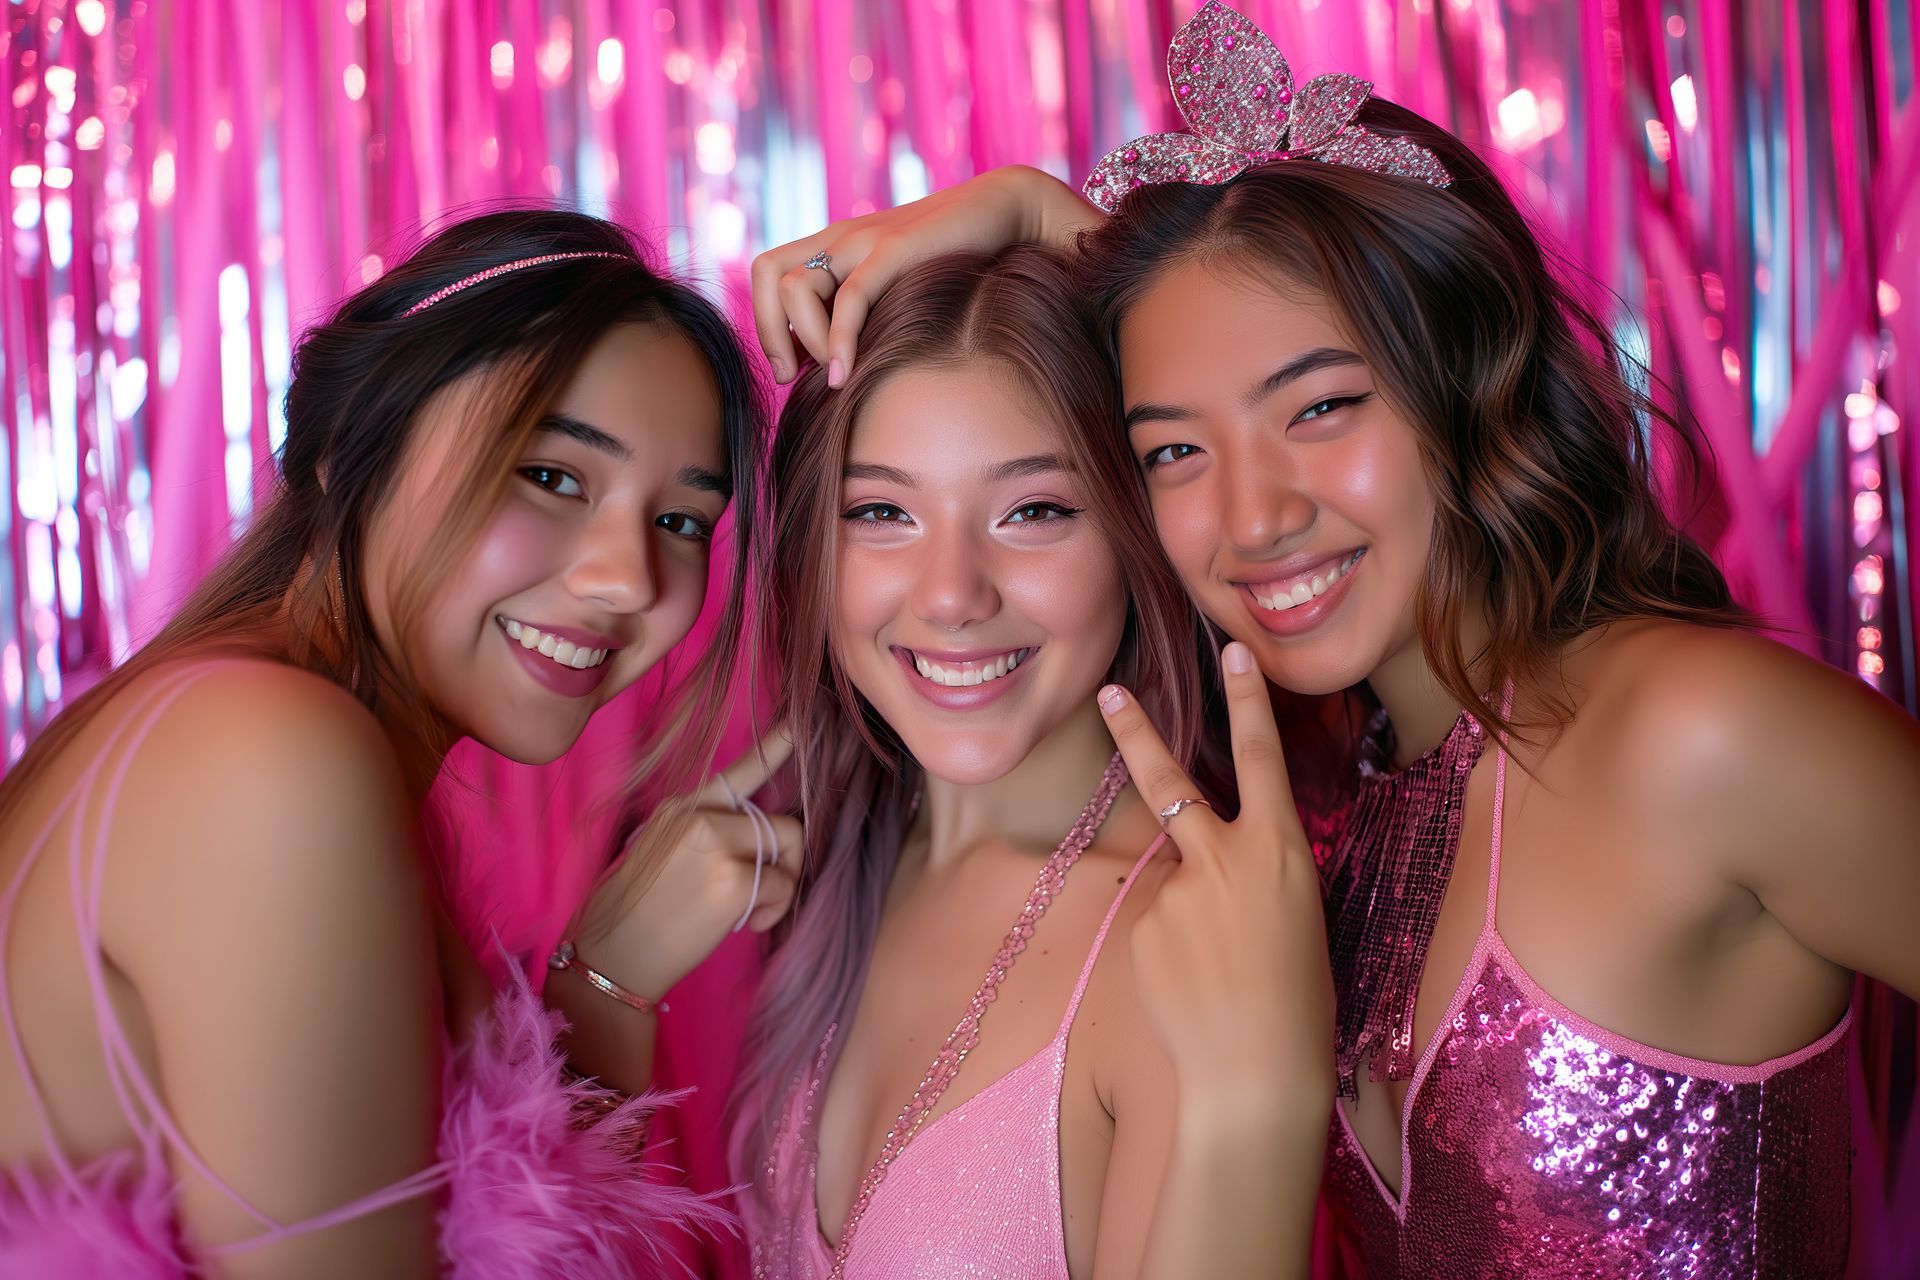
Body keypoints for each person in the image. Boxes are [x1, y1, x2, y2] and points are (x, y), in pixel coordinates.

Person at [748, 5, 1920, 1274]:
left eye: (1322, 406)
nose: (1256, 516)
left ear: (1460, 372)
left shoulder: (1697, 732)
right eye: (1174, 452)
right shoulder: (1324, 792)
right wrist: (1042, 229)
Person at [0, 209, 791, 1277]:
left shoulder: (240, 727)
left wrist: (605, 973)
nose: (628, 579)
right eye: (551, 475)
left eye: (682, 521)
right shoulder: (264, 757)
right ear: (345, 451)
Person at [732, 244, 1332, 1279]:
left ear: (1137, 535)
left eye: (1033, 511)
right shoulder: (826, 862)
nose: (954, 593)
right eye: (882, 512)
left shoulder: (1176, 942)